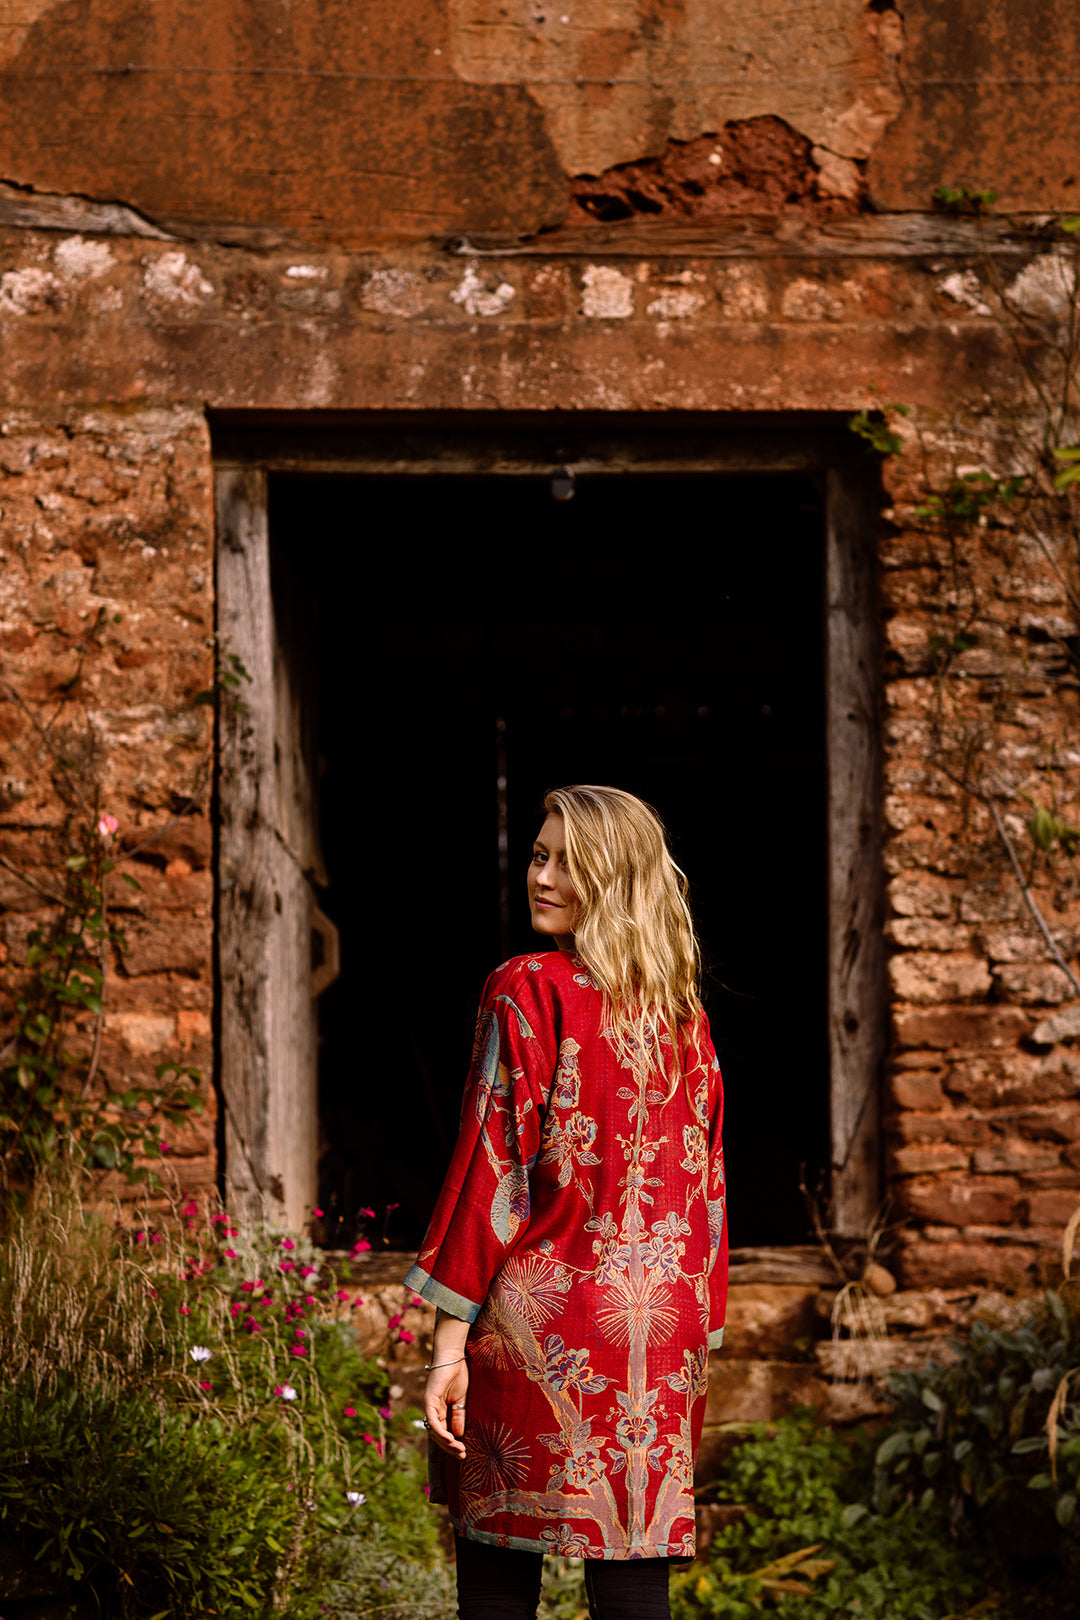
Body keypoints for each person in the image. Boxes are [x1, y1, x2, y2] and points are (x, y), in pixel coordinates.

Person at [404, 784, 727, 1620]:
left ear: (614, 879)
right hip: (656, 1334)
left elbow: (491, 1171)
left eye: (565, 862)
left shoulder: (526, 985)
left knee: (497, 1588)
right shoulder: (687, 1019)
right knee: (631, 1579)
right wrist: (697, 1331)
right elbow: (708, 1193)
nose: (539, 877)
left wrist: (447, 1350)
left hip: (538, 1331)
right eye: (539, 856)